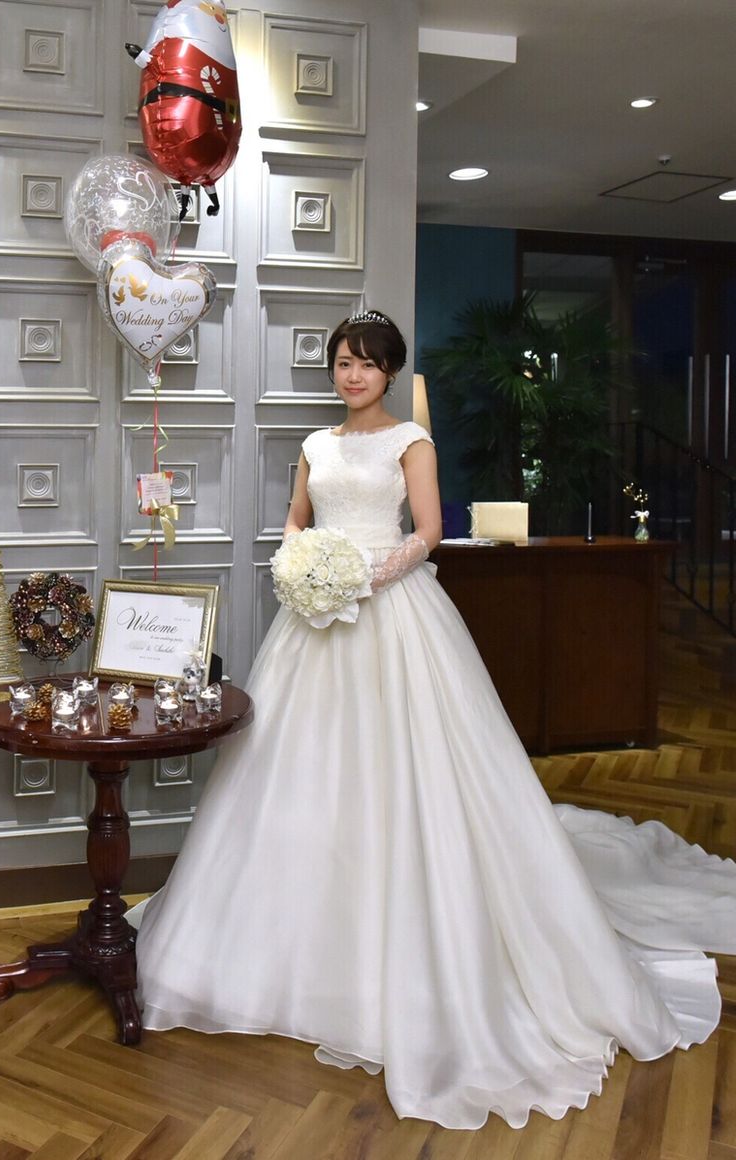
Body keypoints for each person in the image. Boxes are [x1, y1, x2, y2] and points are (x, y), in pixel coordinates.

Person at [130, 310, 736, 1129]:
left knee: (405, 770)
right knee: (294, 773)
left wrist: (364, 576)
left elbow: (430, 531)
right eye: (342, 362)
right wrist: (303, 560)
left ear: (389, 372)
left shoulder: (410, 442)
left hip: (391, 611)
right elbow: (298, 520)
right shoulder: (316, 446)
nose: (352, 375)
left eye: (366, 363)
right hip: (313, 622)